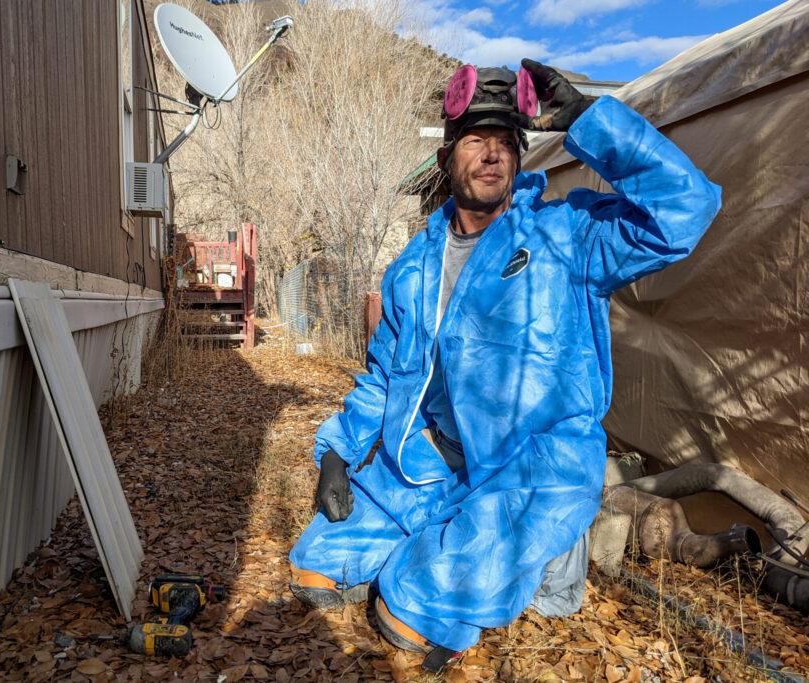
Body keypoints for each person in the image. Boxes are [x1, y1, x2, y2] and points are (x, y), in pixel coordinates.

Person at [287, 59, 722, 672]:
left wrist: (591, 121)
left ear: (520, 159)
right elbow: (386, 375)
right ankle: (443, 537)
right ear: (446, 161)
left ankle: (504, 561)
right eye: (474, 140)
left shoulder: (565, 235)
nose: (491, 155)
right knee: (315, 564)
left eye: (504, 143)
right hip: (432, 459)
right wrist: (336, 450)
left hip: (532, 467)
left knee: (406, 612)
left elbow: (686, 211)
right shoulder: (414, 265)